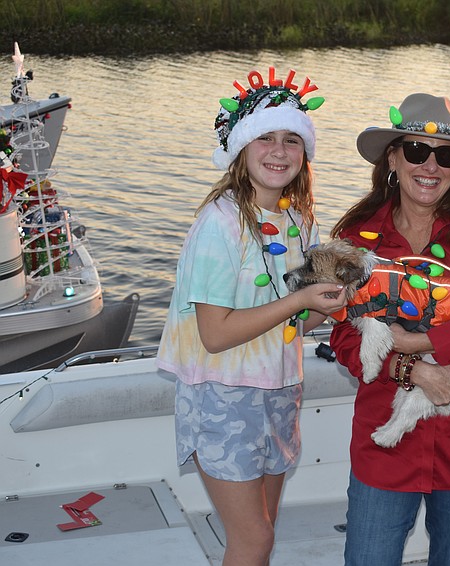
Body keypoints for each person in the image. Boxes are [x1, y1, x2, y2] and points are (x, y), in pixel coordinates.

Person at [156, 68, 348, 566]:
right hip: (223, 395)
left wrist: (331, 305)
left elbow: (291, 325)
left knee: (264, 530)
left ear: (305, 152)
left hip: (280, 389)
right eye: (265, 137)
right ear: (241, 147)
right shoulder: (218, 222)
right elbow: (215, 335)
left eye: (291, 139)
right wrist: (302, 302)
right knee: (255, 540)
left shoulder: (298, 217)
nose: (279, 151)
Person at [329, 93, 450, 565]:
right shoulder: (357, 234)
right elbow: (343, 336)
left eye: (446, 155)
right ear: (392, 157)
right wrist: (414, 371)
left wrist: (418, 341)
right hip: (385, 443)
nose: (430, 165)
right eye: (416, 150)